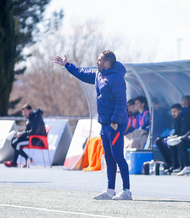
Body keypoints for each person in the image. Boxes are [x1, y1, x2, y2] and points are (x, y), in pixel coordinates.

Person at [54, 50, 132, 200]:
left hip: (115, 124)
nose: (96, 62)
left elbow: (122, 102)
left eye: (99, 60)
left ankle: (127, 191)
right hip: (104, 124)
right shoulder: (98, 75)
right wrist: (67, 65)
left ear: (107, 63)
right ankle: (110, 191)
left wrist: (115, 121)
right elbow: (82, 74)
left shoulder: (116, 78)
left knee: (118, 156)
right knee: (108, 157)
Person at [155, 103, 184, 173]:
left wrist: (174, 137)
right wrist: (172, 136)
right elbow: (176, 131)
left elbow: (183, 132)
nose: (173, 113)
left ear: (180, 111)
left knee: (171, 141)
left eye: (175, 111)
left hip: (182, 137)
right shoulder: (175, 119)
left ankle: (175, 165)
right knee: (159, 140)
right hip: (177, 136)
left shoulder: (183, 118)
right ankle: (169, 163)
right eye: (172, 112)